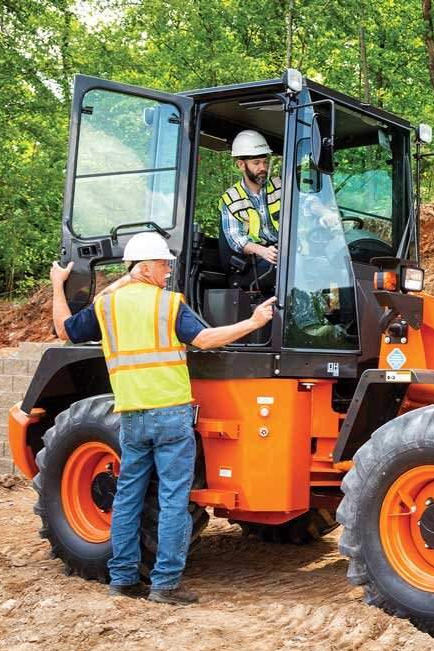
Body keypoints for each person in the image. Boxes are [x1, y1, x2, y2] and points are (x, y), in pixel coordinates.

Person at [49, 231, 276, 605]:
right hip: (170, 415)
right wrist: (253, 322)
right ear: (146, 267)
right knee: (173, 499)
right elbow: (204, 339)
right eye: (163, 265)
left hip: (132, 415)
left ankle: (123, 579)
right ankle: (165, 584)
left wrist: (59, 285)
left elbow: (65, 329)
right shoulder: (168, 305)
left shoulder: (108, 306)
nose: (169, 271)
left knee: (127, 497)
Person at [219, 129, 283, 291]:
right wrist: (263, 251)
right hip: (253, 261)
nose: (263, 167)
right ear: (241, 165)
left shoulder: (280, 185)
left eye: (264, 162)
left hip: (281, 251)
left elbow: (304, 207)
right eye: (256, 163)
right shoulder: (230, 198)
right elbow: (236, 239)